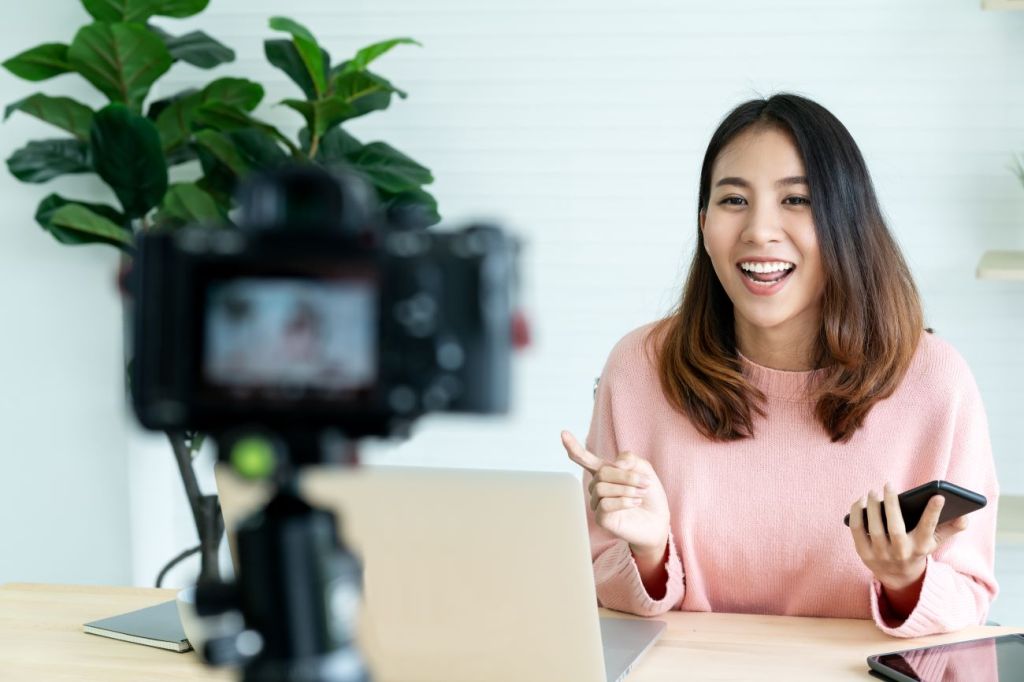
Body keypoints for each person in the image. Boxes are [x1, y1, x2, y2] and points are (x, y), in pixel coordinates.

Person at [560, 93, 998, 638]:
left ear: (846, 221)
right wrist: (648, 552)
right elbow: (601, 586)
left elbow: (970, 599)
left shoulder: (934, 380)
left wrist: (906, 580)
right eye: (733, 201)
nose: (759, 231)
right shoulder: (639, 369)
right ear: (703, 223)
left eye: (796, 200)